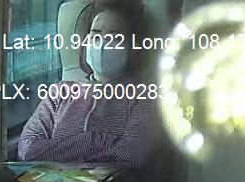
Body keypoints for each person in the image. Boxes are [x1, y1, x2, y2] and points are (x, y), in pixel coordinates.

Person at [17, 2, 160, 165]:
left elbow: (130, 153)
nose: (102, 45)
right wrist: (94, 140)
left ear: (133, 48)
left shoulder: (143, 96)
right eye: (96, 36)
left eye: (115, 38)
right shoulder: (60, 92)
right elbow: (27, 148)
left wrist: (59, 151)